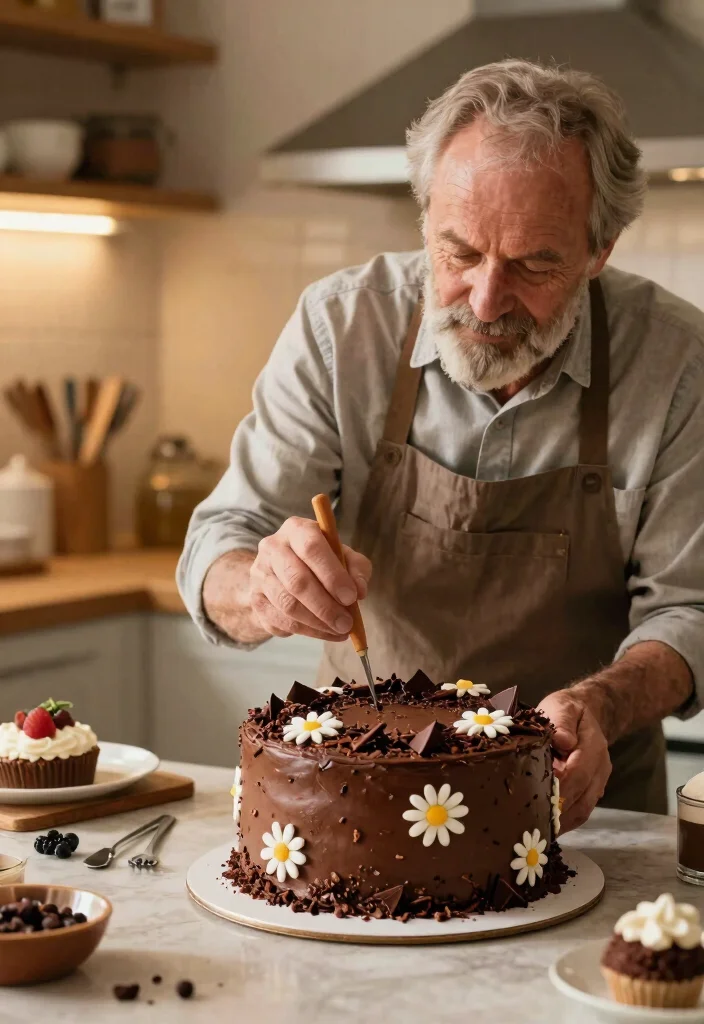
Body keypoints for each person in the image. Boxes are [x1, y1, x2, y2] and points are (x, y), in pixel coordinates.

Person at [177, 59, 704, 833]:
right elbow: (218, 545)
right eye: (458, 253)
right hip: (356, 805)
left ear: (600, 250)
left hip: (587, 814)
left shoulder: (677, 362)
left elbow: (691, 608)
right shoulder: (340, 328)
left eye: (534, 264)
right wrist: (263, 585)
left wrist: (603, 702)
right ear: (425, 219)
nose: (485, 302)